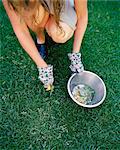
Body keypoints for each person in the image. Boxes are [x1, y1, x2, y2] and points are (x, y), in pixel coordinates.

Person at [2, 0, 88, 91]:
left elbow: (82, 16)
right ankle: (41, 38)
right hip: (40, 5)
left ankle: (53, 18)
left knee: (60, 35)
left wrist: (76, 55)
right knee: (36, 17)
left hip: (62, 3)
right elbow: (20, 30)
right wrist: (42, 66)